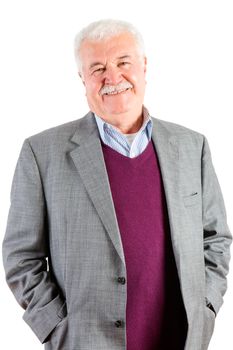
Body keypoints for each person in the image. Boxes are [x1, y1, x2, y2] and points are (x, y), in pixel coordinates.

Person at [2, 18, 232, 350]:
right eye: (97, 68)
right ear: (83, 79)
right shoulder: (42, 154)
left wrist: (205, 309)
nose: (113, 77)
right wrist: (55, 329)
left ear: (143, 67)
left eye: (123, 62)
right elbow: (21, 257)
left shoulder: (191, 147)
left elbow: (216, 240)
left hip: (180, 342)